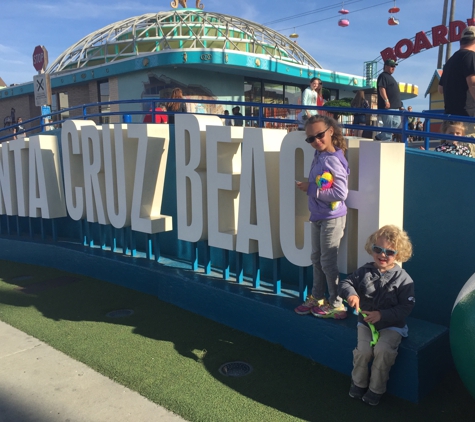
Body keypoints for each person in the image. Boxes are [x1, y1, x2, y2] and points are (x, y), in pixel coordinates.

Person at [339, 225, 415, 406]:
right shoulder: (364, 271)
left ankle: (376, 389)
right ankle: (358, 383)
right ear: (372, 248)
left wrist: (382, 315)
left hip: (392, 326)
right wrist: (351, 293)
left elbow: (406, 307)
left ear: (399, 254)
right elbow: (346, 283)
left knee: (383, 351)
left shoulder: (404, 279)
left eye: (389, 252)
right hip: (365, 323)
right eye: (378, 249)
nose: (382, 255)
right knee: (363, 352)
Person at [294, 115, 350, 319]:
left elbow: (341, 194)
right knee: (316, 259)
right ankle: (318, 297)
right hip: (317, 216)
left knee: (327, 262)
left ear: (331, 131)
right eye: (311, 139)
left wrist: (311, 189)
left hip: (332, 218)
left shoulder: (333, 158)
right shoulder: (320, 155)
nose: (316, 141)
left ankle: (337, 303)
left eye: (320, 135)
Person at [438, 26, 475, 117]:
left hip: (450, 117)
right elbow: (473, 84)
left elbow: (440, 89)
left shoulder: (450, 61)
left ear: (461, 41)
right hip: (467, 118)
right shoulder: (471, 56)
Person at [374, 59, 403, 141]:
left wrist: (400, 105)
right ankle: (385, 141)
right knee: (388, 125)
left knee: (396, 123)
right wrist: (386, 100)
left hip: (395, 107)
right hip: (387, 107)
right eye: (391, 66)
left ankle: (380, 136)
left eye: (394, 66)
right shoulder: (383, 76)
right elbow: (381, 88)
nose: (393, 68)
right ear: (386, 66)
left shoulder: (391, 77)